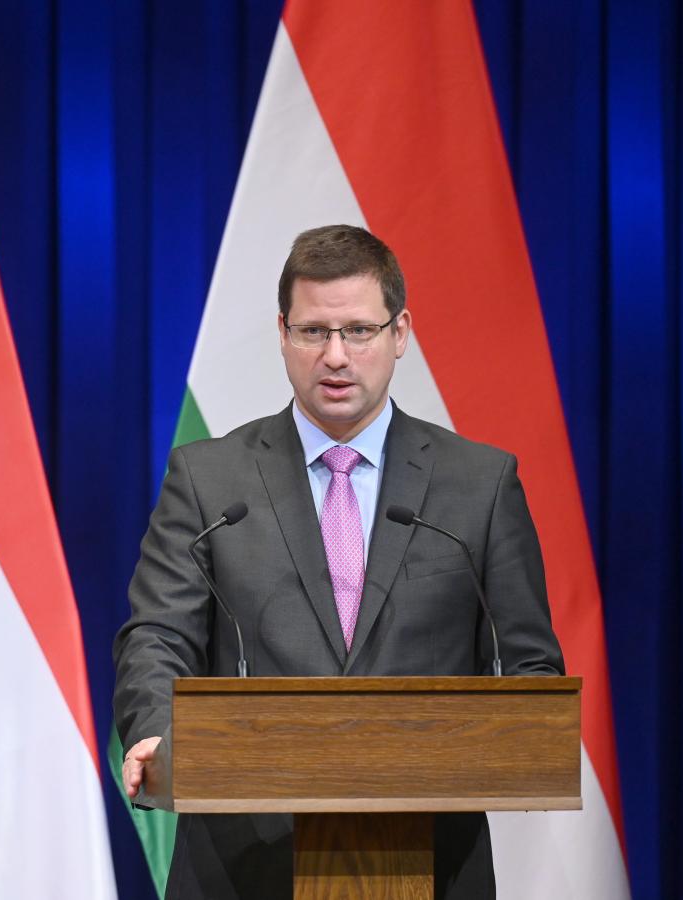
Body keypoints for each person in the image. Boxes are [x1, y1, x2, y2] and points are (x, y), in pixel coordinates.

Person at [112, 224, 564, 899]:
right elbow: (156, 635)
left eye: (358, 330)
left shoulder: (479, 485)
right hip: (241, 862)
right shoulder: (209, 481)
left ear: (400, 333)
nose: (335, 356)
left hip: (431, 863)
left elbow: (530, 664)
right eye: (312, 332)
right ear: (282, 333)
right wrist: (157, 732)